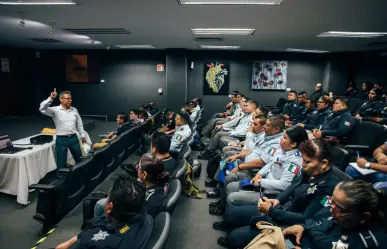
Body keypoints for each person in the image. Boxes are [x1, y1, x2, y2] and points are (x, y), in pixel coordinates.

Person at [218, 138, 340, 248]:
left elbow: (306, 218)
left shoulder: (329, 186)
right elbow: (290, 188)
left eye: (307, 162)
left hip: (289, 224)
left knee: (233, 238)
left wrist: (272, 211)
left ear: (323, 163)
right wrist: (278, 200)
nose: (303, 164)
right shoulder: (308, 171)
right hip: (280, 209)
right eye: (303, 160)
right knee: (231, 214)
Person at [208, 115, 284, 215]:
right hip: (247, 163)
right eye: (265, 124)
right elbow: (252, 150)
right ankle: (219, 188)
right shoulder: (266, 135)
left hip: (254, 171)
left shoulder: (276, 143)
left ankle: (222, 206)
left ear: (276, 129)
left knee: (230, 177)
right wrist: (237, 156)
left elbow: (261, 162)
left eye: (267, 125)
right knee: (228, 160)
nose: (264, 126)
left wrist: (239, 167)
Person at [55, 176, 153, 249]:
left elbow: (85, 239)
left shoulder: (92, 243)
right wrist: (67, 244)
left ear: (110, 207)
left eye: (107, 197)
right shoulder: (143, 214)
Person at [283, 180, 387, 249]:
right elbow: (315, 220)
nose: (331, 209)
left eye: (340, 209)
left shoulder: (370, 243)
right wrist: (302, 226)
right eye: (332, 202)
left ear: (364, 216)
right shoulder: (336, 210)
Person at [95, 154, 169, 220]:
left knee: (99, 204)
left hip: (129, 220)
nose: (136, 168)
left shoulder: (147, 201)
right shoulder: (161, 182)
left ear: (144, 174)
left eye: (138, 167)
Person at [39, 89, 86, 178]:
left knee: (79, 159)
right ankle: (62, 181)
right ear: (61, 99)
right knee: (61, 162)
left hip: (74, 138)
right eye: (67, 98)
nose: (70, 100)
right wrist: (51, 98)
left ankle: (82, 176)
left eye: (70, 98)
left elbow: (79, 124)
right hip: (61, 139)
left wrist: (82, 135)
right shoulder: (55, 110)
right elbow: (42, 108)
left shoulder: (74, 110)